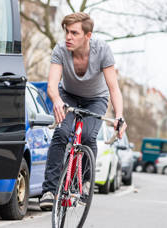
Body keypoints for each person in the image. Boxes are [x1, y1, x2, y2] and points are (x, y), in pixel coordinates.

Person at [39, 12, 127, 210]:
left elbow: (114, 88)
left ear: (88, 36)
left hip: (96, 99)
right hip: (68, 95)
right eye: (66, 32)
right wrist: (57, 101)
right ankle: (49, 190)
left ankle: (86, 182)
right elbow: (52, 84)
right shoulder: (61, 50)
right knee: (61, 133)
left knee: (88, 136)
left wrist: (119, 116)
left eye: (74, 33)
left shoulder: (102, 50)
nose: (68, 37)